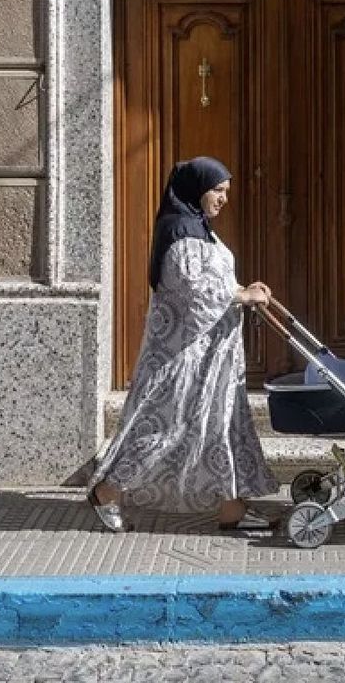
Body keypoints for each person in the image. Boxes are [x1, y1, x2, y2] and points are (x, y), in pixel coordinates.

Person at [86, 156, 279, 533]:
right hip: (184, 357)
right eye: (217, 190)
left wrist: (243, 290)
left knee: (223, 425)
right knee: (166, 426)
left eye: (226, 192)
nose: (224, 199)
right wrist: (242, 296)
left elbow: (213, 285)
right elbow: (193, 293)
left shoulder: (200, 229)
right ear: (196, 189)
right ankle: (106, 492)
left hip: (212, 356)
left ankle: (232, 508)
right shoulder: (180, 230)